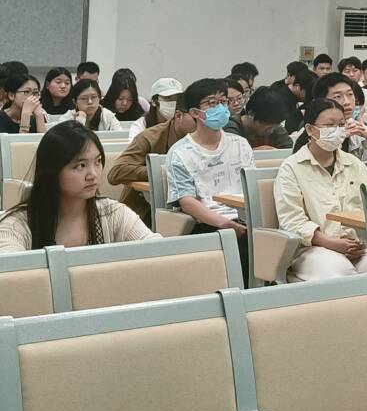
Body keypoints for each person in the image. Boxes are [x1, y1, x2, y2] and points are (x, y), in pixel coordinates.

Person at [0, 122, 158, 252]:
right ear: (52, 171)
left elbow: (159, 253)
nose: (93, 174)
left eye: (98, 162)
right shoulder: (16, 225)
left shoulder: (113, 213)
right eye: (80, 165)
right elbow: (12, 271)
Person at [275, 98, 367, 279]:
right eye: (329, 125)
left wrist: (357, 242)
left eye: (341, 125)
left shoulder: (354, 164)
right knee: (341, 272)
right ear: (310, 129)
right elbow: (291, 220)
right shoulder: (292, 167)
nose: (336, 131)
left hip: (356, 245)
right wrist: (331, 243)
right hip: (311, 248)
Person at [164, 78, 253, 275]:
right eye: (212, 103)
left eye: (223, 102)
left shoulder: (240, 144)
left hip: (247, 218)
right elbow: (187, 201)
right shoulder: (180, 153)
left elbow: (252, 189)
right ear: (195, 113)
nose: (220, 108)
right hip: (208, 223)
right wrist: (224, 223)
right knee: (241, 247)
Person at [108, 92, 199, 223]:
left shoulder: (213, 138)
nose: (203, 122)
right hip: (145, 212)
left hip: (201, 206)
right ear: (178, 115)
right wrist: (157, 172)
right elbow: (115, 172)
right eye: (196, 117)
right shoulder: (150, 137)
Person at [299, 72, 367, 159]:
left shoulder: (356, 129)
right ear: (322, 101)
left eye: (350, 94)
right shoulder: (313, 133)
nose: (347, 102)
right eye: (338, 96)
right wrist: (337, 139)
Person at [226, 87, 293, 149]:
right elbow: (233, 153)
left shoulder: (275, 126)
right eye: (268, 127)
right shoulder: (231, 128)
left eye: (275, 126)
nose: (271, 131)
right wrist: (255, 153)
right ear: (251, 114)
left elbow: (288, 149)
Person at [48, 79, 121, 132]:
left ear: (99, 98)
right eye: (84, 98)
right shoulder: (67, 118)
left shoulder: (108, 116)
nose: (90, 102)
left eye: (93, 97)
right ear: (75, 102)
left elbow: (121, 136)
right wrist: (79, 122)